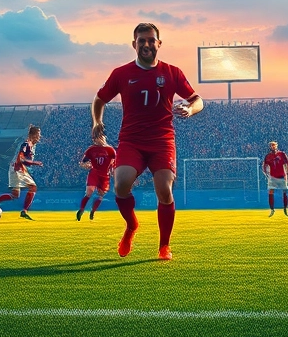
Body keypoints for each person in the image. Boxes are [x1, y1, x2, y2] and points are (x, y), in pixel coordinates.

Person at [91, 22, 203, 261]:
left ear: (159, 44)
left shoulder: (172, 72)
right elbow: (99, 100)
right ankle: (131, 227)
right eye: (141, 40)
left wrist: (191, 109)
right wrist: (96, 122)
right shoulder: (121, 74)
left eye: (151, 40)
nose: (146, 45)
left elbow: (197, 99)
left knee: (164, 190)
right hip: (131, 140)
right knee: (121, 185)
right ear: (134, 44)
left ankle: (164, 246)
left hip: (162, 140)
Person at [0, 126, 43, 220]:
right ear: (32, 135)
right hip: (17, 169)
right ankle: (24, 211)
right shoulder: (26, 144)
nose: (39, 137)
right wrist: (35, 163)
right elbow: (21, 159)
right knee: (33, 187)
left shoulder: (31, 145)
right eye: (38, 135)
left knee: (15, 195)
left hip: (20, 169)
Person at [77, 137, 116, 221]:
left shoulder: (108, 150)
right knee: (93, 194)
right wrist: (85, 165)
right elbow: (83, 162)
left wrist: (113, 172)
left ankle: (90, 211)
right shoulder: (96, 149)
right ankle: (85, 210)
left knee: (95, 194)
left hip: (102, 174)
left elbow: (113, 163)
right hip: (98, 173)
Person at [264, 140, 288, 217]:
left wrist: (287, 171)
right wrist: (267, 174)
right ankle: (272, 210)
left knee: (285, 192)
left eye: (274, 145)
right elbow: (264, 166)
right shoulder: (268, 156)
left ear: (276, 146)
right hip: (272, 177)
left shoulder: (282, 154)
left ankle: (285, 209)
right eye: (271, 145)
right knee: (270, 192)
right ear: (269, 147)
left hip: (282, 176)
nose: (272, 146)